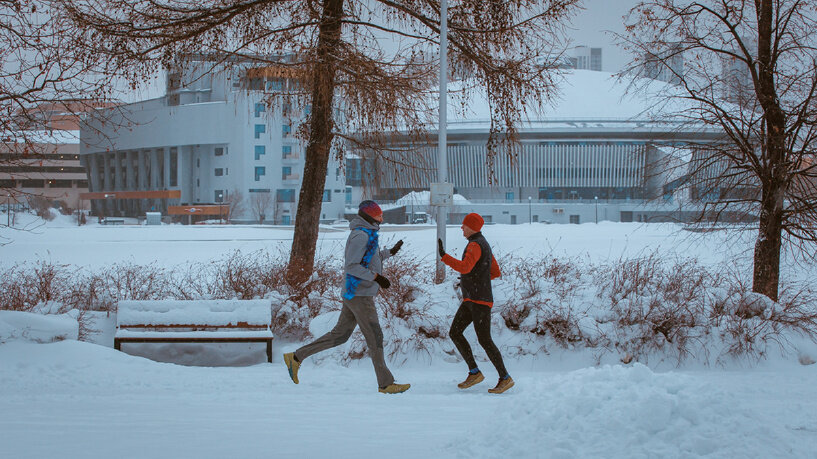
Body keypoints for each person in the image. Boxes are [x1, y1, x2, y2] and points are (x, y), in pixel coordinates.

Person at [284, 200, 410, 394]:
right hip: (360, 294)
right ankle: (386, 383)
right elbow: (352, 266)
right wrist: (377, 277)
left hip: (356, 293)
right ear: (369, 216)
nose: (382, 218)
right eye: (378, 215)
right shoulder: (360, 235)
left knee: (340, 335)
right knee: (375, 336)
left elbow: (368, 259)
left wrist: (389, 253)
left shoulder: (368, 233)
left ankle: (296, 357)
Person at [438, 213, 514, 394]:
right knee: (455, 332)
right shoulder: (484, 244)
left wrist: (444, 256)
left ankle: (505, 378)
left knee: (484, 340)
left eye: (464, 225)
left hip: (478, 300)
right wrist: (476, 279)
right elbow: (494, 271)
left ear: (472, 227)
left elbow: (465, 267)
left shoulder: (474, 245)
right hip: (472, 299)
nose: (461, 228)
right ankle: (474, 372)